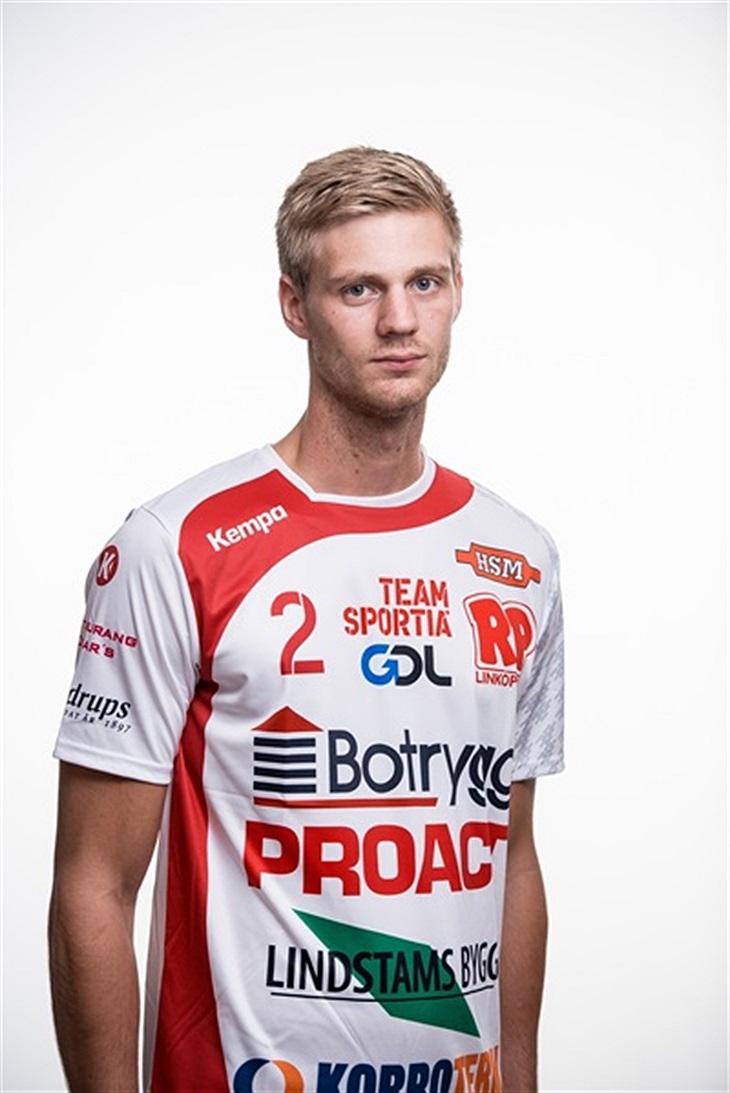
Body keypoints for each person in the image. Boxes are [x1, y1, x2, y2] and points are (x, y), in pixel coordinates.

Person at [49, 146, 564, 1093]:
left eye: (425, 281)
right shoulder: (175, 544)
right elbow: (94, 882)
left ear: (458, 291)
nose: (400, 319)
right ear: (296, 305)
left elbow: (513, 856)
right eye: (359, 289)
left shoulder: (519, 557)